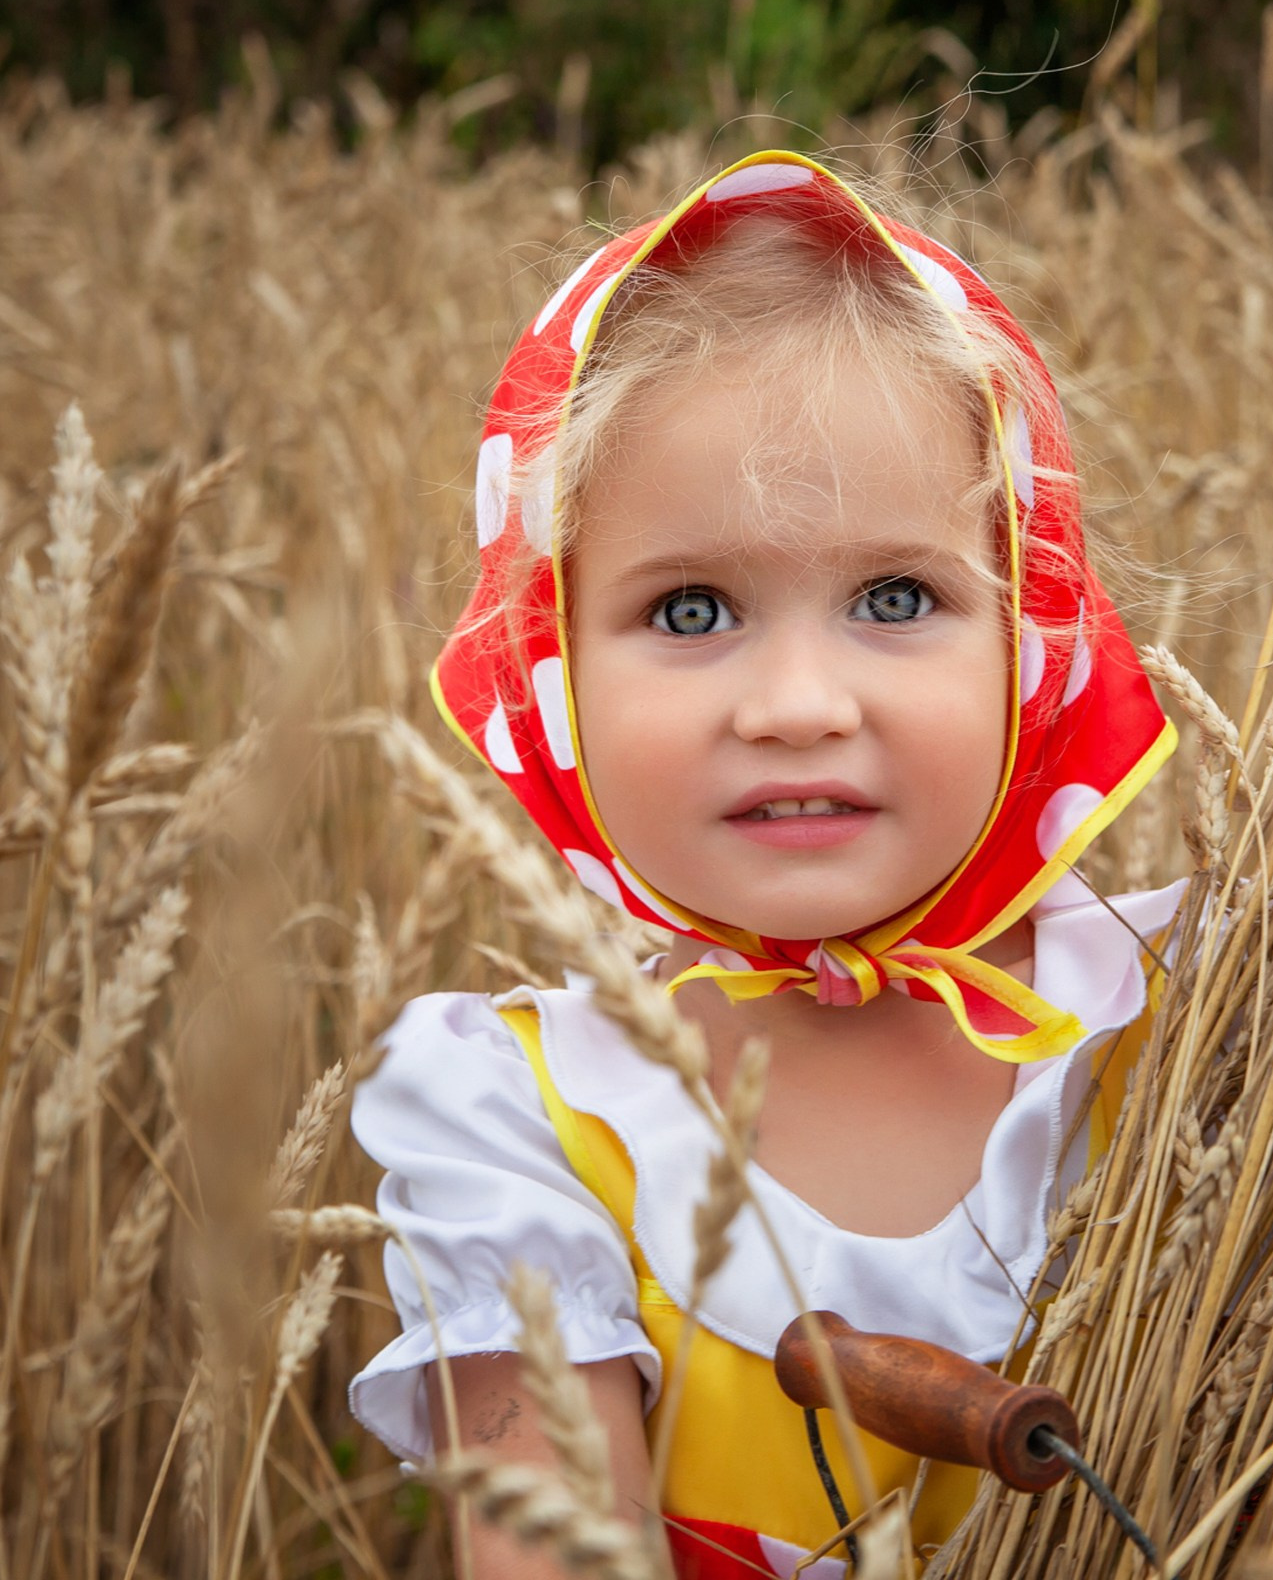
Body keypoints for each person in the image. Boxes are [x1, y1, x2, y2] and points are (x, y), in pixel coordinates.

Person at [347, 151, 1182, 1579]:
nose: (798, 704)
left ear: (1030, 633)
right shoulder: (527, 1136)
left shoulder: (1190, 1021)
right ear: (552, 674)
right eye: (691, 611)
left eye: (897, 597)